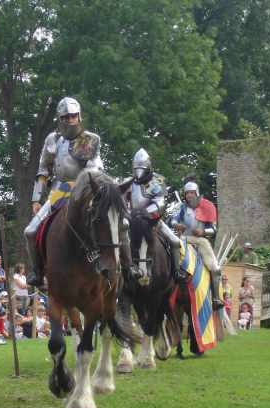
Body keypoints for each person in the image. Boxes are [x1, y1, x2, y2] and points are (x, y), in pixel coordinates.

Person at [24, 97, 104, 286]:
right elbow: (43, 170)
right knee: (29, 231)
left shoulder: (90, 139)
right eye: (67, 117)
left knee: (110, 223)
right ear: (60, 119)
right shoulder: (52, 140)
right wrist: (36, 198)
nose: (71, 120)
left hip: (84, 190)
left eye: (74, 116)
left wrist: (88, 182)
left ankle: (115, 264)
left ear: (79, 116)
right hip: (58, 191)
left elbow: (96, 168)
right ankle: (37, 271)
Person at [121, 147, 182, 280]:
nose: (139, 172)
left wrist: (143, 213)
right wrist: (129, 215)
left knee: (175, 241)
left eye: (141, 168)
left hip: (152, 221)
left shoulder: (157, 181)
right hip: (131, 221)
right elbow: (121, 203)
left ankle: (177, 272)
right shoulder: (128, 182)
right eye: (136, 168)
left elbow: (160, 203)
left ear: (148, 167)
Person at [171, 181, 222, 305]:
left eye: (192, 193)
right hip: (183, 239)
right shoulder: (182, 207)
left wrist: (203, 231)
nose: (189, 195)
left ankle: (215, 298)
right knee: (172, 248)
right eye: (187, 193)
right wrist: (177, 225)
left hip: (200, 241)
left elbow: (214, 229)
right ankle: (176, 272)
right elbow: (172, 220)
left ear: (197, 193)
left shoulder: (207, 207)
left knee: (215, 268)